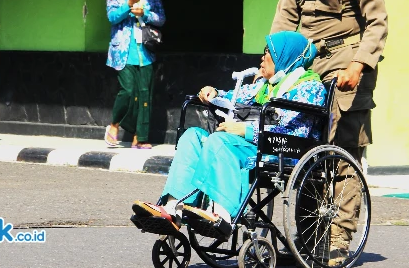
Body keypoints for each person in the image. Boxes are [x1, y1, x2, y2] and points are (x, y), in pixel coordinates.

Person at [270, 0, 388, 265]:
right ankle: (308, 242)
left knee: (342, 157)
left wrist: (359, 65)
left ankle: (337, 244)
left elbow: (377, 22)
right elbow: (286, 13)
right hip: (306, 68)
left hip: (347, 66)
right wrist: (271, 58)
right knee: (303, 151)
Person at [132, 31, 327, 236]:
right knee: (192, 137)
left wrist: (245, 130)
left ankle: (222, 215)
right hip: (253, 145)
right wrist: (212, 93)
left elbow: (293, 128)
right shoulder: (265, 86)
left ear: (285, 56)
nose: (262, 57)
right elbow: (232, 96)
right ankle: (173, 209)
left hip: (283, 151)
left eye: (268, 52)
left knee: (220, 141)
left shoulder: (310, 88)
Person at [104, 0, 165, 149]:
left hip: (145, 52)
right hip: (122, 52)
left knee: (145, 95)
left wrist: (144, 14)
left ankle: (141, 138)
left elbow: (161, 18)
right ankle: (114, 125)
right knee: (128, 91)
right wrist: (128, 5)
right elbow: (112, 17)